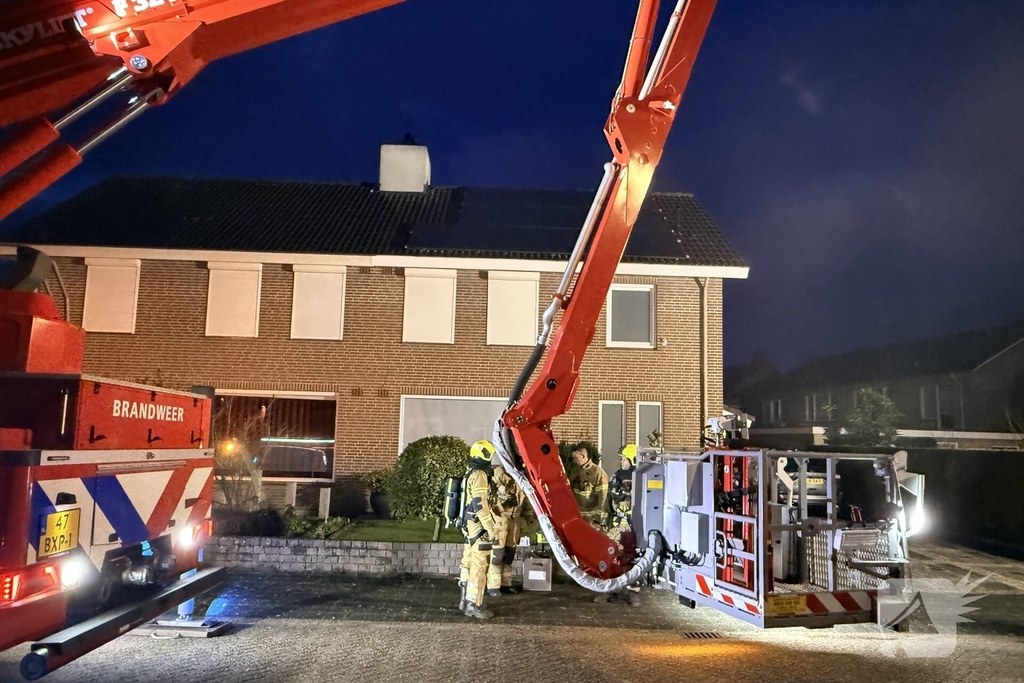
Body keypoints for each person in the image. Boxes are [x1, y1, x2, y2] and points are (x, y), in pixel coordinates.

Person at [456, 440, 499, 619]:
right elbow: (480, 505)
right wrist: (490, 528)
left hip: (468, 525)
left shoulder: (470, 472)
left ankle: (465, 600)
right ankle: (475, 604)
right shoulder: (480, 474)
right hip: (478, 527)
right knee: (480, 565)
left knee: (468, 562)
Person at [594, 444, 641, 606]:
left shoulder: (640, 478)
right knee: (610, 557)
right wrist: (603, 522)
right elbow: (608, 502)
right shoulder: (617, 477)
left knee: (631, 560)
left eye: (624, 459)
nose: (621, 461)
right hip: (616, 526)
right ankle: (608, 590)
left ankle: (632, 593)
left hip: (633, 528)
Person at [486, 454, 525, 597]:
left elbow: (525, 498)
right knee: (497, 554)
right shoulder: (499, 473)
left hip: (515, 520)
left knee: (509, 555)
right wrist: (500, 512)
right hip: (501, 519)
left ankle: (505, 584)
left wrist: (528, 516)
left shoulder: (521, 476)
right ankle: (493, 586)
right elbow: (492, 497)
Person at [568, 445, 608, 526]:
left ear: (583, 455)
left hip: (592, 521)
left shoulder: (598, 473)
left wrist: (598, 521)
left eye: (576, 458)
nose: (574, 460)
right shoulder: (574, 471)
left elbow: (603, 499)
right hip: (577, 519)